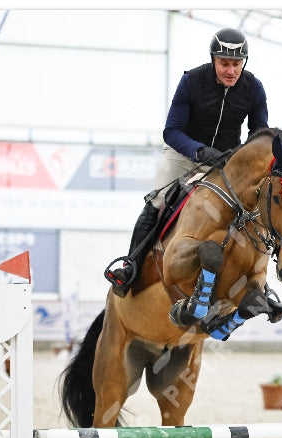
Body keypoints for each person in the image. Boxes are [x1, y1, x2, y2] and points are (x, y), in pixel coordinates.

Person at [105, 27, 269, 297]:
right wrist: (200, 151)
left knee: (251, 210)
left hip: (224, 164)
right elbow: (171, 131)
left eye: (236, 64)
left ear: (244, 63)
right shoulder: (192, 81)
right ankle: (130, 266)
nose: (230, 70)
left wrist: (242, 160)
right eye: (224, 64)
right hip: (183, 155)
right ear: (213, 60)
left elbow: (259, 135)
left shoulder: (254, 88)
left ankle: (259, 283)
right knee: (157, 201)